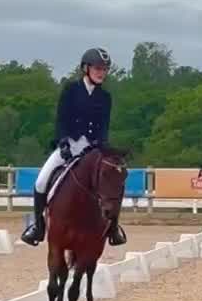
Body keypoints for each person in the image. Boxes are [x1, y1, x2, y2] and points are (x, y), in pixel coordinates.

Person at [22, 47, 127, 247]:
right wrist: (62, 142)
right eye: (97, 68)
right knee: (41, 181)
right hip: (69, 144)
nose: (101, 73)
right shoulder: (71, 90)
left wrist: (102, 146)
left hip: (92, 148)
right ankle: (38, 226)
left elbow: (103, 126)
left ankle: (113, 228)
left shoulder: (105, 98)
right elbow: (61, 119)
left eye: (104, 69)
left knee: (112, 180)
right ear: (86, 68)